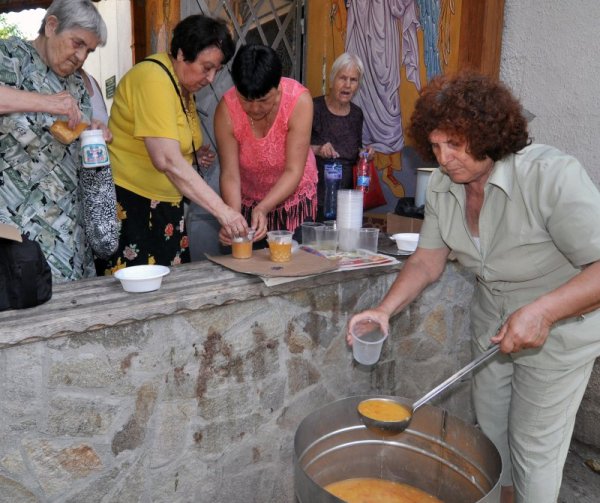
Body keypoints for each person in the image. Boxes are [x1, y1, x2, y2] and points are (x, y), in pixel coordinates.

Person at [348, 72, 600, 503]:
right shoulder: (446, 186)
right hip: (492, 321)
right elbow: (428, 260)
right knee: (492, 433)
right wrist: (385, 310)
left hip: (559, 324)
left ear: (489, 134)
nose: (443, 159)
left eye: (456, 145)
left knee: (533, 447)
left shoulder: (550, 175)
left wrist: (542, 313)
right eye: (436, 146)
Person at [95, 15, 248, 274]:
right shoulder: (153, 78)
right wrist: (224, 212)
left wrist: (192, 152)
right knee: (137, 298)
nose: (211, 78)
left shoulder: (181, 86)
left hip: (166, 207)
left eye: (217, 70)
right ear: (180, 53)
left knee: (169, 292)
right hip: (135, 208)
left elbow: (167, 141)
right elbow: (165, 159)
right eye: (206, 67)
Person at [0, 0, 110, 282]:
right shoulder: (10, 55)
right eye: (77, 43)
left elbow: (70, 141)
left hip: (69, 233)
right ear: (51, 26)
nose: (81, 56)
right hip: (16, 228)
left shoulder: (76, 84)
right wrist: (46, 102)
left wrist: (93, 134)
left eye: (89, 50)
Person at [214, 44, 317, 244]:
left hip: (293, 199)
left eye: (263, 100)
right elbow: (230, 174)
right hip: (248, 198)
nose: (254, 108)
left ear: (277, 86)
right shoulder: (226, 110)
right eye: (246, 100)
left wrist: (263, 207)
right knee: (249, 265)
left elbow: (293, 170)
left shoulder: (299, 101)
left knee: (292, 266)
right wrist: (233, 218)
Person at [310, 52, 371, 220]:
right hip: (316, 200)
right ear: (332, 80)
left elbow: (355, 149)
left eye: (353, 80)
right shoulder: (313, 107)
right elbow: (293, 147)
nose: (347, 85)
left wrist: (364, 154)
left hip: (348, 201)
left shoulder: (357, 114)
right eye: (342, 78)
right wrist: (318, 149)